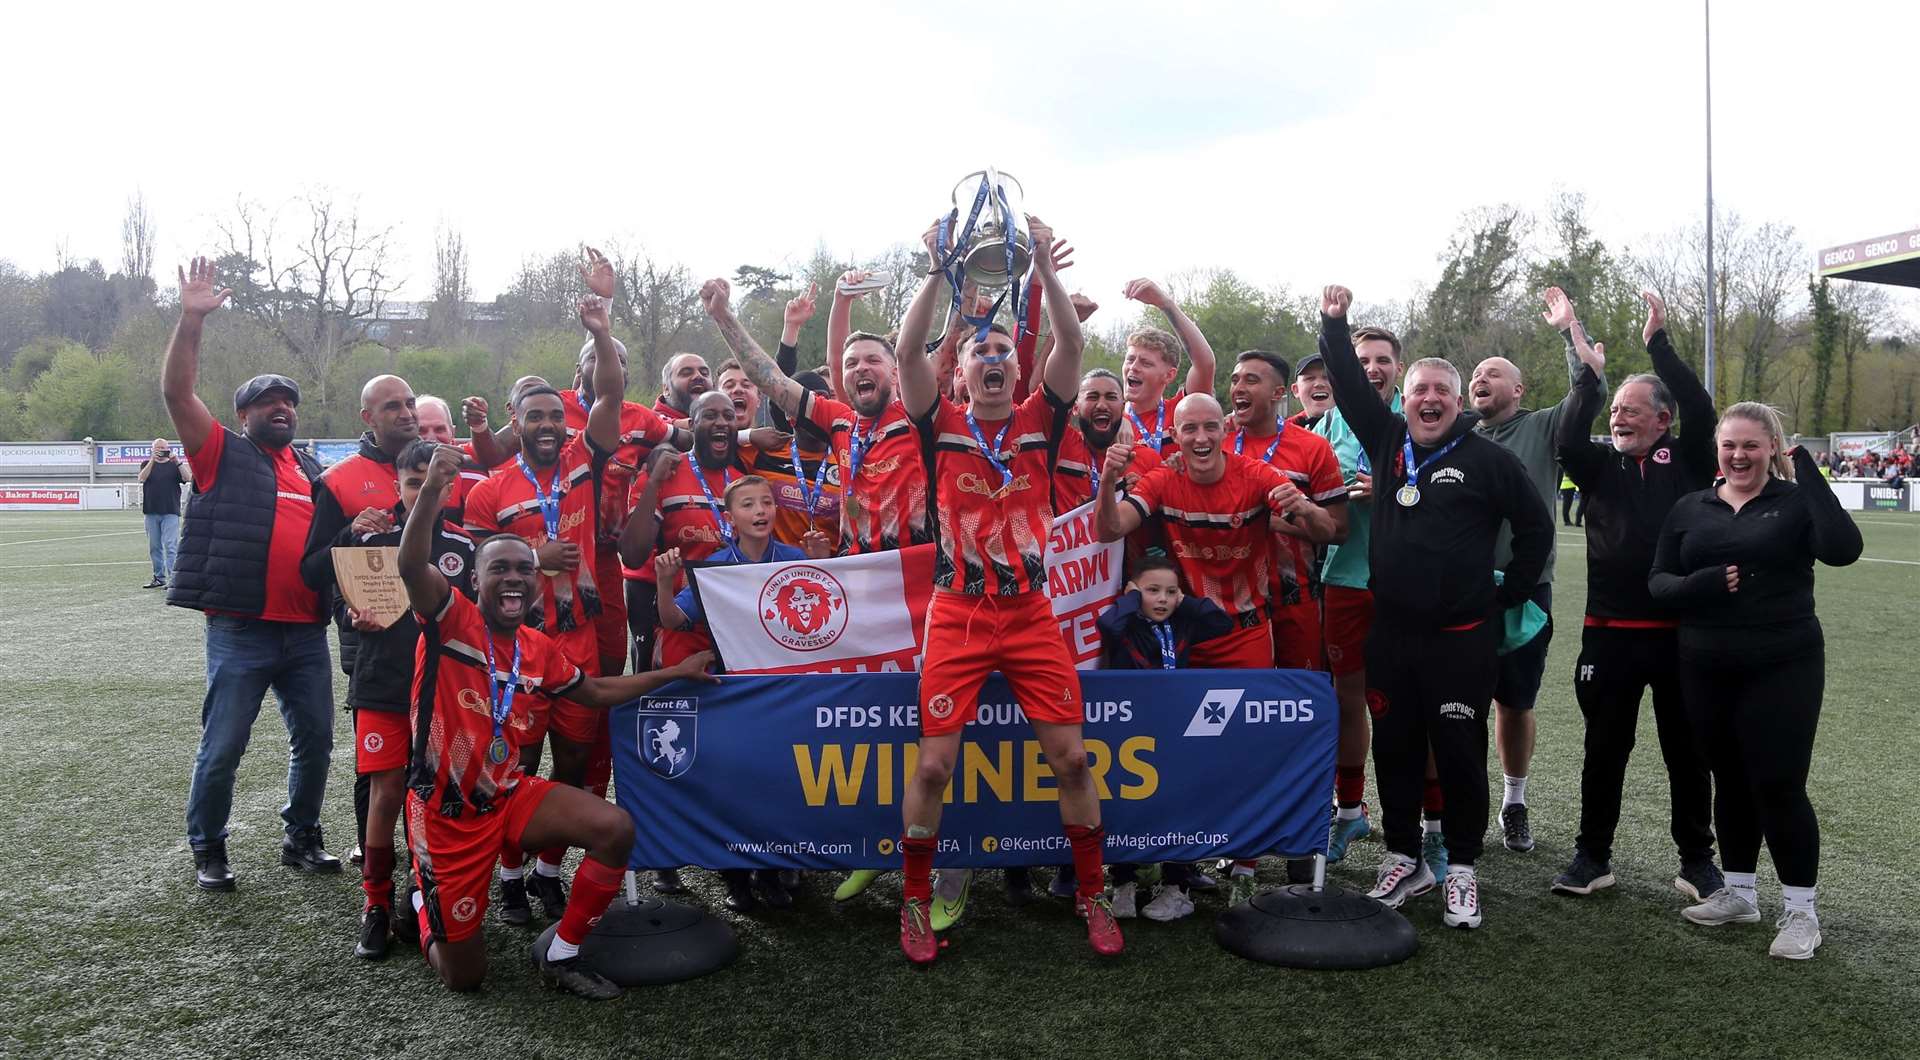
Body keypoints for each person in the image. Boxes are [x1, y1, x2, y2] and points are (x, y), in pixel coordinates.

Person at [396, 443, 717, 998]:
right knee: (466, 978)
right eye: (499, 568)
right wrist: (430, 494)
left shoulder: (536, 648)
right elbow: (409, 565)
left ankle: (564, 954)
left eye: (525, 568)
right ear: (476, 581)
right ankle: (424, 901)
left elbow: (594, 690)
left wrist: (676, 673)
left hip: (508, 795)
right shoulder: (450, 621)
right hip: (446, 816)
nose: (514, 578)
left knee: (614, 828)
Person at [884, 211, 1121, 963]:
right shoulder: (938, 421)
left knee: (1074, 761)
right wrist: (933, 269)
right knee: (933, 766)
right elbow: (903, 352)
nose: (991, 360)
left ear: (1017, 369)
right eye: (977, 352)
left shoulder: (1040, 420)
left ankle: (1093, 892)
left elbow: (1073, 344)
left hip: (1028, 614)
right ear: (959, 372)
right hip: (957, 612)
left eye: (1001, 352)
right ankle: (915, 903)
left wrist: (1047, 269)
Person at [1318, 284, 1553, 930]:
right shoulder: (1387, 438)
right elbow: (1345, 380)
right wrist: (1333, 325)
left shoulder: (1489, 459)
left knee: (1457, 750)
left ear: (1455, 404)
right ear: (1407, 398)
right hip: (1391, 634)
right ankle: (1402, 858)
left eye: (1439, 394)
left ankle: (1462, 868)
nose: (1427, 401)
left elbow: (1536, 529)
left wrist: (1510, 591)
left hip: (1462, 637)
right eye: (1418, 391)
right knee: (1393, 747)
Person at [698, 273, 934, 906]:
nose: (861, 369)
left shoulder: (920, 414)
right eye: (851, 362)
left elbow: (922, 352)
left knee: (928, 731)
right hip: (858, 589)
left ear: (895, 369)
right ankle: (870, 848)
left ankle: (945, 866)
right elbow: (775, 383)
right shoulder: (837, 422)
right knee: (861, 727)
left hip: (919, 590)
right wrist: (725, 319)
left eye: (873, 360)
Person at [1097, 392, 1340, 902]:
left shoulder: (1254, 475)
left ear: (1225, 430)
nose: (1201, 439)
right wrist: (1105, 480)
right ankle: (1176, 866)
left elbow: (1329, 532)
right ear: (1176, 436)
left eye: (1211, 427)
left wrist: (1304, 507)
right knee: (1176, 750)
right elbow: (1110, 527)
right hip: (1182, 637)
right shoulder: (1163, 478)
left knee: (1244, 746)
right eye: (1190, 430)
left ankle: (1244, 859)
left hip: (1244, 633)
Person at [1649, 404, 1861, 960]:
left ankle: (1801, 911)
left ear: (1772, 447)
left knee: (1779, 785)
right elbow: (1659, 582)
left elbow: (1843, 549)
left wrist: (1808, 474)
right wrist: (1703, 584)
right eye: (1729, 446)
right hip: (1704, 662)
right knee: (1730, 780)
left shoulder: (1793, 502)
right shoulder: (1690, 506)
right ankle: (1739, 893)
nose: (1738, 456)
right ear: (1717, 450)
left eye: (1750, 445)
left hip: (1782, 661)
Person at [162, 257, 338, 891]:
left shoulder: (313, 470)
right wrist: (191, 319)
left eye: (288, 400)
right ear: (243, 417)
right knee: (224, 748)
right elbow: (178, 393)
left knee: (316, 742)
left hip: (305, 636)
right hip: (241, 632)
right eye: (266, 402)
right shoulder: (221, 455)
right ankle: (208, 847)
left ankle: (302, 837)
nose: (280, 408)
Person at [462, 255, 628, 921]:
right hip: (522, 644)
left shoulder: (585, 457)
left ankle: (549, 868)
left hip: (579, 637)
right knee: (519, 760)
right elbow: (478, 559)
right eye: (535, 416)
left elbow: (611, 394)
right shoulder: (492, 488)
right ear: (515, 420)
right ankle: (508, 872)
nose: (549, 424)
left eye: (555, 413)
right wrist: (536, 551)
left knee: (578, 758)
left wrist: (601, 325)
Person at [1550, 290, 1721, 902]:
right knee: (1604, 750)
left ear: (1662, 419)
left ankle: (1697, 861)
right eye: (1614, 409)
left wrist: (1658, 345)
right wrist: (1588, 378)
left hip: (1682, 635)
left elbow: (1701, 404)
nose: (1618, 417)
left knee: (1687, 752)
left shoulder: (1691, 461)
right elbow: (1569, 436)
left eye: (1630, 409)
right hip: (1610, 635)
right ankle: (1592, 855)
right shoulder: (1598, 466)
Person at [322, 438, 475, 959]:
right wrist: (353, 617)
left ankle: (421, 893)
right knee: (386, 792)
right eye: (413, 483)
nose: (423, 492)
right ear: (399, 487)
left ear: (449, 489)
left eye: (431, 483)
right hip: (383, 686)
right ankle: (375, 905)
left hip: (441, 695)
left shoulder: (465, 548)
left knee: (434, 793)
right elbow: (342, 607)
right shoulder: (371, 543)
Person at [1466, 285, 1605, 854]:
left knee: (1515, 701)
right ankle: (1459, 802)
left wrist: (1570, 331)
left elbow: (1587, 391)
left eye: (1494, 373)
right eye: (1476, 373)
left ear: (1517, 389)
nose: (1482, 379)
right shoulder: (1453, 436)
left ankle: (1514, 800)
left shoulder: (1544, 426)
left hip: (1524, 590)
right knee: (1457, 701)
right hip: (1460, 591)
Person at [654, 473, 828, 911]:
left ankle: (773, 870)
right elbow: (676, 622)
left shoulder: (792, 557)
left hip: (784, 691)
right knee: (735, 784)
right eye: (748, 505)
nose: (760, 511)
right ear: (729, 518)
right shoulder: (714, 568)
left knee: (780, 780)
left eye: (766, 502)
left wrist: (824, 562)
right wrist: (663, 582)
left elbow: (829, 614)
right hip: (732, 692)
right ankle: (736, 879)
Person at [1297, 331, 1412, 866]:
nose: (1371, 368)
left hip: (1406, 582)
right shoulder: (1320, 429)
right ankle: (1350, 810)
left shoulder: (1419, 421)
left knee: (1413, 703)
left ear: (1398, 368)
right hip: (1344, 578)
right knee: (1349, 700)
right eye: (1361, 359)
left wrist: (1389, 493)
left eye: (1382, 360)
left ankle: (1425, 826)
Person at [1094, 556, 1232, 920]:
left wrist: (1184, 600)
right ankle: (1122, 883)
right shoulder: (1128, 625)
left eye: (1170, 592)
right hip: (1130, 733)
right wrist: (1130, 598)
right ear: (1134, 591)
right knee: (1127, 804)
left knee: (1176, 805)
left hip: (1174, 729)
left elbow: (1222, 623)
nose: (1161, 599)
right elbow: (1108, 624)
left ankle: (1177, 886)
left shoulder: (1184, 622)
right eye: (1152, 591)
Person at [1225, 350, 1349, 671]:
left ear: (1278, 393)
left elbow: (1339, 531)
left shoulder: (1312, 447)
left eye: (1252, 380)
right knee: (1241, 703)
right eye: (1235, 379)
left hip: (1295, 597)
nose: (1239, 387)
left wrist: (1285, 519)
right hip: (1231, 601)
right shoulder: (1217, 442)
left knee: (1301, 703)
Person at [1116, 278, 1217, 458]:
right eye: (1130, 359)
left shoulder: (1181, 411)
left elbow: (1205, 363)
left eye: (1145, 363)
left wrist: (1166, 304)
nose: (1134, 367)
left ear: (1169, 375)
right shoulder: (1111, 419)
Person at [138, 438, 190, 588]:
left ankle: (174, 579)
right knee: (155, 547)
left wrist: (177, 461)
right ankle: (159, 577)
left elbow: (188, 478)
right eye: (157, 448)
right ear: (152, 449)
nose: (160, 450)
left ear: (168, 448)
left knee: (170, 546)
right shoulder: (146, 464)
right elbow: (141, 478)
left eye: (163, 448)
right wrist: (152, 461)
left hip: (170, 511)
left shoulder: (174, 465)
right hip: (151, 511)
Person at [655, 353, 712, 422]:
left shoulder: (724, 423)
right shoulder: (648, 426)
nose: (698, 376)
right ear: (666, 389)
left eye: (704, 373)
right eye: (686, 373)